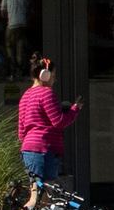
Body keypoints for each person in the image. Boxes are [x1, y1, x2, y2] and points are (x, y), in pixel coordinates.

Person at [14, 55, 78, 183]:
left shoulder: (25, 95)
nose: (54, 80)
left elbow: (21, 132)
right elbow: (59, 122)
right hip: (44, 149)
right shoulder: (46, 93)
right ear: (45, 75)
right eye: (53, 76)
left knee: (36, 191)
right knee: (44, 194)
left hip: (28, 150)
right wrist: (74, 110)